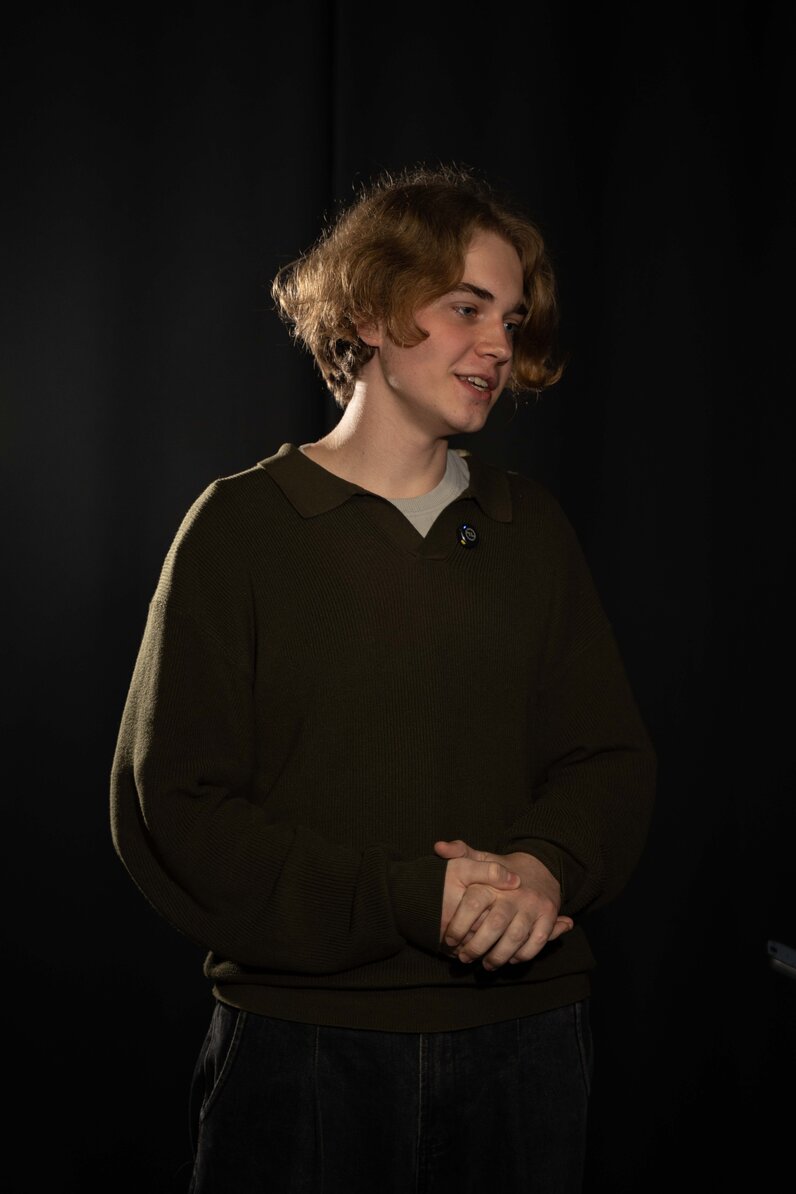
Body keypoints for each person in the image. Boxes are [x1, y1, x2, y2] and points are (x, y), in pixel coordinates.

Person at [110, 164, 656, 1193]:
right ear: (367, 310)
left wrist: (543, 870)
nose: (499, 345)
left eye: (512, 319)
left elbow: (610, 763)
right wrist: (410, 898)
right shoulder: (240, 528)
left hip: (527, 1046)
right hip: (302, 1050)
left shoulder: (531, 528)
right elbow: (174, 809)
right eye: (467, 308)